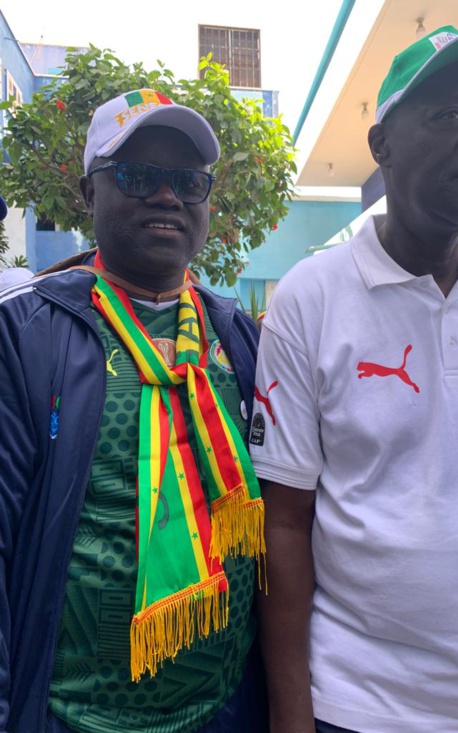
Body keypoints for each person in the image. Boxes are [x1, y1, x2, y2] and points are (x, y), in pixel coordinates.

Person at [250, 24, 458, 733]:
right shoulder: (310, 295)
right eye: (450, 114)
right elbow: (283, 523)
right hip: (362, 703)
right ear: (381, 145)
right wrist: (291, 716)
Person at [0, 88, 267, 733]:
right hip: (71, 716)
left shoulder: (236, 334)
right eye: (138, 176)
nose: (167, 196)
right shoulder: (25, 332)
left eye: (188, 181)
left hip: (225, 710)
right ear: (89, 194)